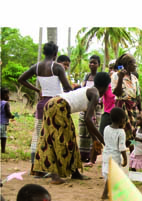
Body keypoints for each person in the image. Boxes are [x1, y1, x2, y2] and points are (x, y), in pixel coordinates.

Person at [33, 72, 110, 184]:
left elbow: (89, 121)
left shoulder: (90, 90)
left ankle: (74, 172)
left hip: (53, 104)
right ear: (106, 86)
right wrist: (101, 139)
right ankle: (55, 176)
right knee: (60, 140)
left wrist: (95, 140)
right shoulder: (95, 94)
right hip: (59, 106)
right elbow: (88, 120)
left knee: (64, 138)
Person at [18, 41, 72, 175]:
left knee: (39, 135)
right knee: (55, 135)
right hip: (55, 103)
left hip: (42, 104)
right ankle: (54, 168)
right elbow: (66, 87)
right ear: (55, 54)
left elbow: (21, 79)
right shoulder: (58, 67)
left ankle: (35, 168)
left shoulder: (37, 67)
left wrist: (38, 90)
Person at [111, 53, 141, 153]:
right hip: (122, 107)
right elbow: (117, 92)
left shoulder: (135, 78)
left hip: (132, 107)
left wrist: (140, 111)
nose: (135, 66)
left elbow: (138, 96)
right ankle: (120, 154)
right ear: (128, 64)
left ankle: (133, 154)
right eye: (134, 64)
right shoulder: (116, 76)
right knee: (122, 132)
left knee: (133, 132)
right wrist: (120, 77)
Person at [78, 55, 103, 166]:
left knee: (93, 129)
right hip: (84, 106)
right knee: (83, 131)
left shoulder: (99, 77)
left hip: (95, 107)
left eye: (94, 63)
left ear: (98, 65)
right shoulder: (86, 76)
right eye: (90, 62)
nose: (92, 64)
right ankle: (83, 155)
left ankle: (92, 156)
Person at [101, 107, 128, 200]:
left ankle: (116, 192)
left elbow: (105, 141)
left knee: (110, 175)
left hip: (105, 155)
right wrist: (125, 159)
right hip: (115, 157)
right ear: (121, 120)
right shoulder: (121, 132)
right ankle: (105, 194)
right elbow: (122, 147)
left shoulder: (106, 128)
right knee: (112, 176)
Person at [0, 87, 15, 153]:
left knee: (3, 136)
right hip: (2, 123)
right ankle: (3, 150)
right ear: (5, 95)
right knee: (3, 137)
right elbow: (8, 113)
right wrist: (12, 116)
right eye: (8, 94)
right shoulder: (5, 103)